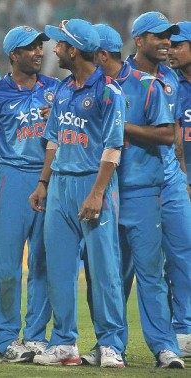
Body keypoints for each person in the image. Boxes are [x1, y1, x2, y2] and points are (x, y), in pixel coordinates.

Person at [81, 23, 184, 369]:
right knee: (105, 276)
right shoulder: (85, 89)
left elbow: (168, 134)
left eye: (88, 53)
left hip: (140, 190)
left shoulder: (146, 85)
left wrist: (117, 123)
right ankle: (108, 344)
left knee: (150, 272)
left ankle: (164, 346)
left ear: (101, 55)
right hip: (103, 191)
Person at [28, 19, 126, 368]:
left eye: (59, 44)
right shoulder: (64, 90)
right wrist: (43, 183)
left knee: (104, 269)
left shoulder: (109, 93)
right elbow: (53, 140)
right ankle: (65, 343)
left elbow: (113, 149)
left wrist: (98, 193)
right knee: (60, 268)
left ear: (73, 50)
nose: (53, 49)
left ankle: (111, 344)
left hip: (92, 184)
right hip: (60, 185)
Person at [0, 26, 59, 363]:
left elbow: (73, 134)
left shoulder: (56, 90)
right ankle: (6, 337)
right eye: (30, 48)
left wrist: (59, 123)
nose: (39, 52)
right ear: (13, 55)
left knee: (43, 263)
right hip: (9, 179)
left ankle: (36, 336)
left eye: (40, 46)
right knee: (7, 266)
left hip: (49, 179)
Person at [128, 12, 191, 361]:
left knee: (183, 254)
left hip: (170, 180)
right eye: (159, 36)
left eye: (171, 37)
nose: (166, 43)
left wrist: (181, 174)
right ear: (139, 40)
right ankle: (112, 338)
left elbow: (177, 133)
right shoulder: (122, 77)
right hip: (134, 182)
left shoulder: (171, 78)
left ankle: (183, 330)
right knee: (128, 267)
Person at [168, 20, 191, 358]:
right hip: (179, 184)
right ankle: (182, 329)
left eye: (177, 44)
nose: (170, 50)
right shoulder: (169, 85)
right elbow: (173, 142)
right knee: (180, 258)